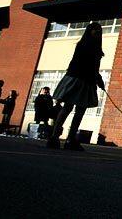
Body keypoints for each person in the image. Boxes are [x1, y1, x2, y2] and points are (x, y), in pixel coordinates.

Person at [46, 23, 106, 151]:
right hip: (79, 79)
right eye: (94, 29)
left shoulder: (93, 49)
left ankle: (69, 139)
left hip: (84, 80)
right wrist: (96, 78)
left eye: (99, 30)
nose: (97, 32)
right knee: (68, 108)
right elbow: (87, 66)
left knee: (79, 110)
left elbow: (94, 68)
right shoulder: (85, 46)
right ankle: (55, 137)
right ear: (89, 31)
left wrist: (98, 79)